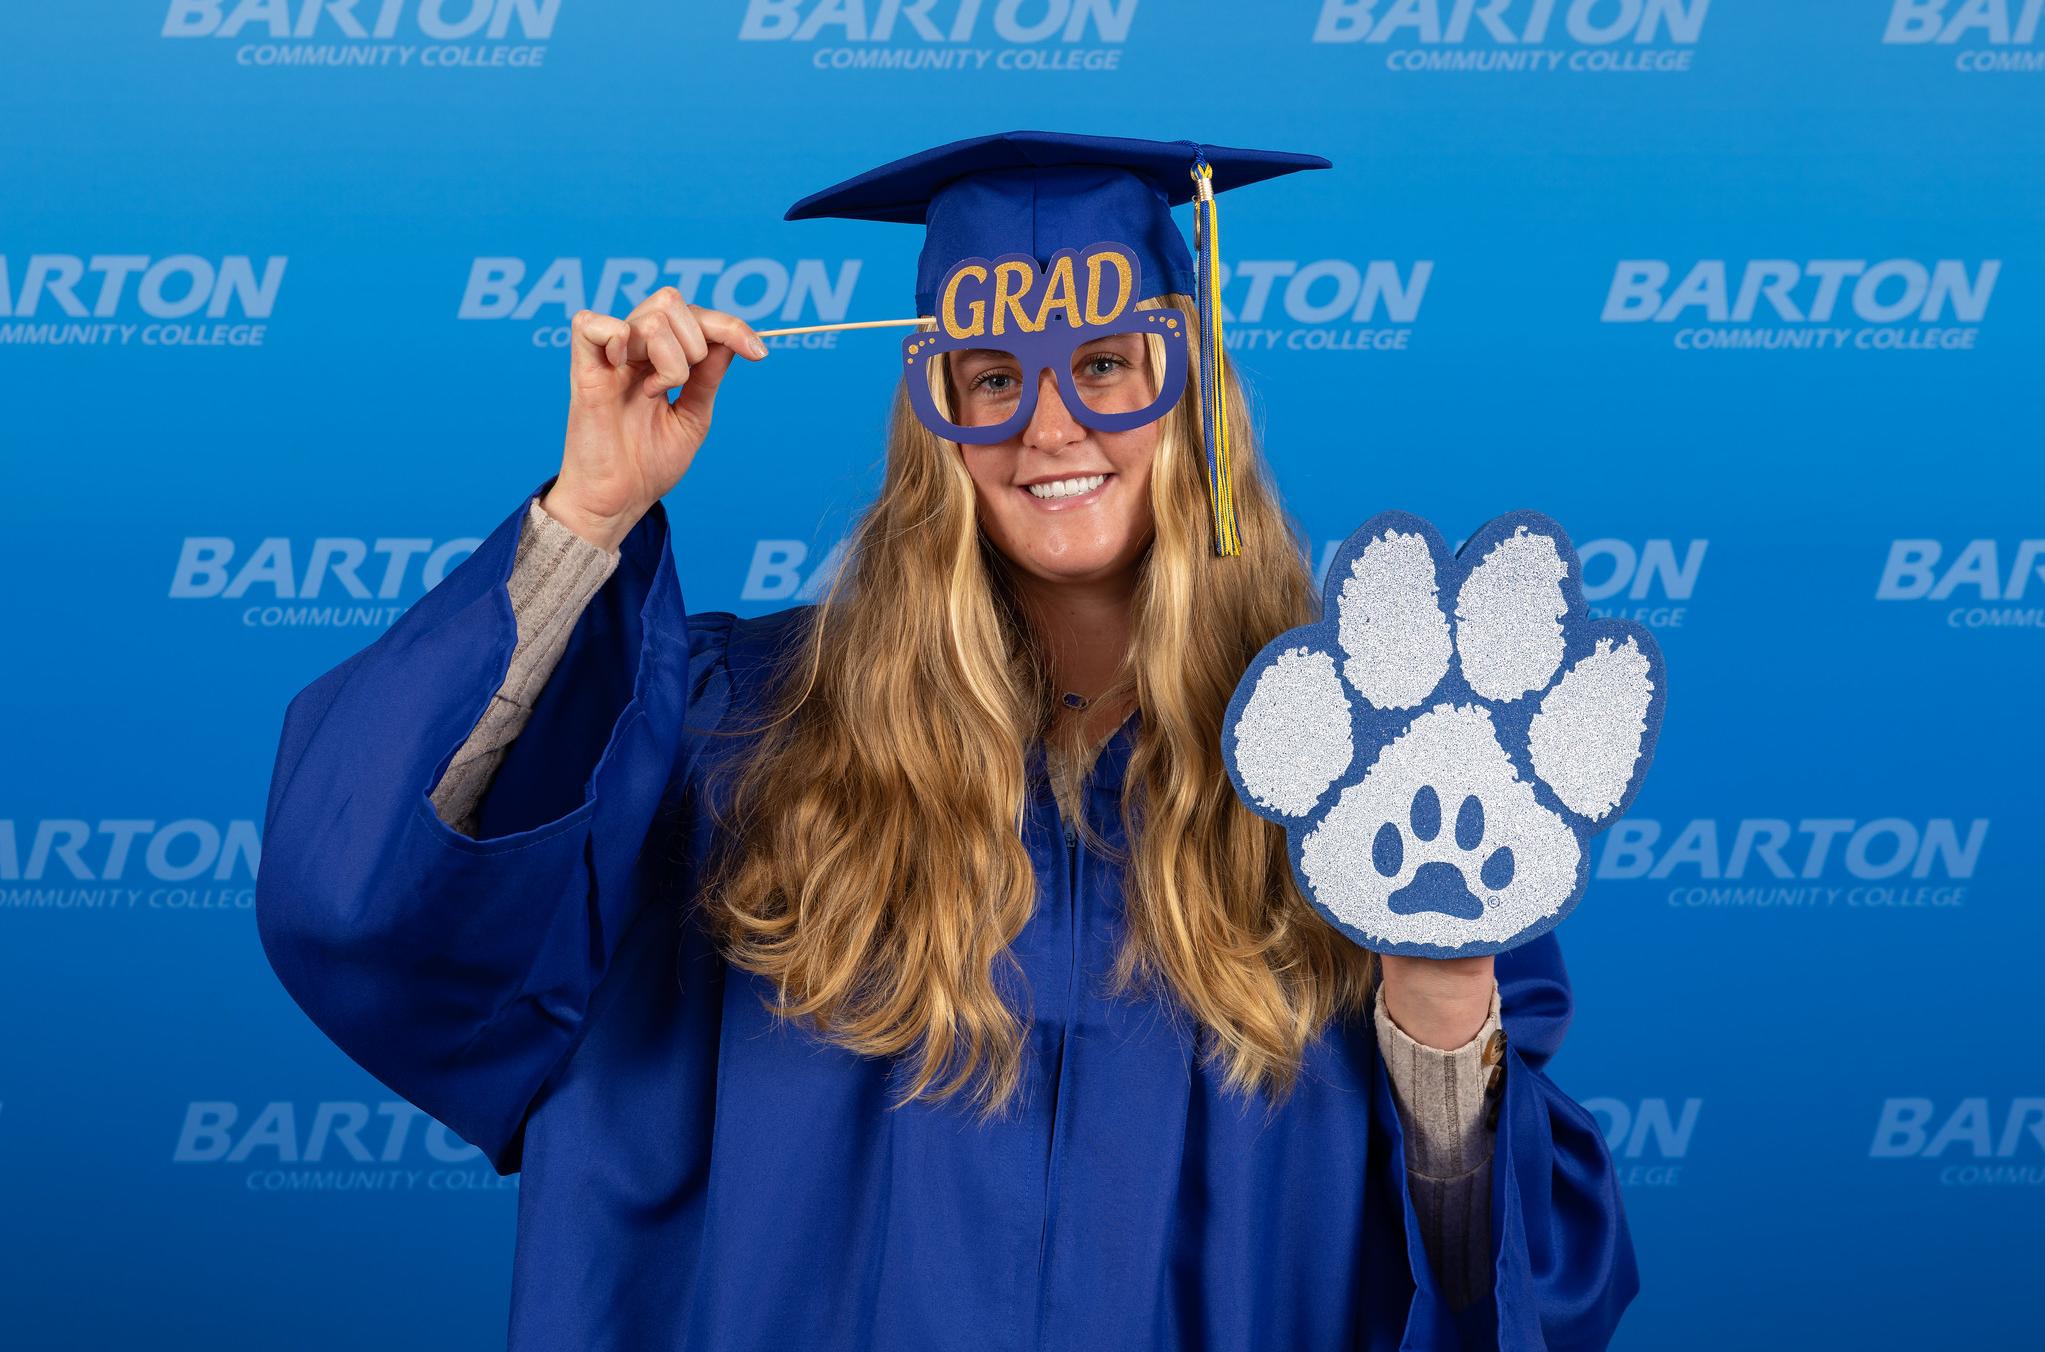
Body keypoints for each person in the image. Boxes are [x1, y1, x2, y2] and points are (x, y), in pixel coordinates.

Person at [255, 131, 1638, 1350]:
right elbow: (376, 905)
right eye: (991, 379)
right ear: (937, 415)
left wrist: (1439, 1007)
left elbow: (1508, 1281)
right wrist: (587, 514)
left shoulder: (1371, 775)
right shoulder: (744, 742)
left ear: (1189, 391)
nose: (1051, 427)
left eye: (1106, 365)